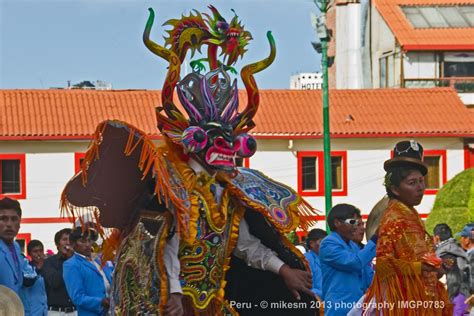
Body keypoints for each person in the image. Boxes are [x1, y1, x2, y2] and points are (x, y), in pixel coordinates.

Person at [60, 5, 319, 316]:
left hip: (214, 305)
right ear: (191, 141)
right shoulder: (168, 186)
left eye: (232, 140)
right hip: (169, 305)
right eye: (214, 139)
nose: (227, 149)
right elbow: (164, 247)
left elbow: (246, 245)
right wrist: (173, 294)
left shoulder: (231, 191)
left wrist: (283, 271)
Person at [364, 140, 451, 315]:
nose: (421, 188)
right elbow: (382, 265)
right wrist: (421, 268)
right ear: (395, 189)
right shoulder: (393, 217)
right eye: (412, 183)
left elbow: (416, 256)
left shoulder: (411, 214)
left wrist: (437, 267)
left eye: (421, 181)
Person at [319, 204, 377, 315]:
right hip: (339, 309)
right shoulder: (328, 244)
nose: (356, 227)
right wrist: (374, 239)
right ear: (337, 223)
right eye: (352, 222)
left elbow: (368, 277)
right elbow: (355, 263)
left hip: (357, 309)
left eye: (357, 223)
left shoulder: (353, 246)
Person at [63, 227, 112, 316]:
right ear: (73, 244)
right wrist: (100, 301)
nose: (87, 244)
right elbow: (77, 297)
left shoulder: (100, 259)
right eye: (83, 241)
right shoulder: (71, 265)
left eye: (89, 240)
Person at [434, 223, 470, 315]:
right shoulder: (458, 248)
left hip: (457, 294)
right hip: (466, 294)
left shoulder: (444, 253)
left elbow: (448, 274)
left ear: (437, 238)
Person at [42, 228, 76, 315]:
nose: (68, 242)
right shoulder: (49, 262)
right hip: (56, 312)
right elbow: (54, 282)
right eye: (64, 239)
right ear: (57, 244)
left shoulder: (77, 262)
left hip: (75, 311)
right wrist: (68, 262)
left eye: (70, 240)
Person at [0, 197, 25, 296]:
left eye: (14, 219)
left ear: (19, 223)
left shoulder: (16, 247)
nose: (9, 224)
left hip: (15, 309)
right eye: (3, 219)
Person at [20, 239, 48, 316]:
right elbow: (27, 282)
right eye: (35, 251)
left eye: (40, 251)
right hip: (32, 311)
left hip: (46, 310)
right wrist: (38, 268)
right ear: (29, 254)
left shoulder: (48, 267)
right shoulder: (26, 267)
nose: (39, 254)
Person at [351, 216, 375, 292]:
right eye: (358, 225)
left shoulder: (364, 249)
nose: (363, 228)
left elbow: (369, 279)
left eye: (363, 224)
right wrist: (375, 238)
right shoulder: (342, 249)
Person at [304, 228, 327, 298]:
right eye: (322, 242)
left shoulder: (327, 258)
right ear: (312, 244)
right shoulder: (306, 259)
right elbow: (308, 287)